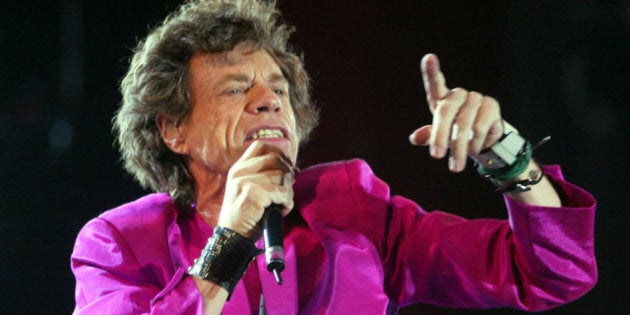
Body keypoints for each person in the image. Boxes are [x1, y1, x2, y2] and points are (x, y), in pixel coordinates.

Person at [70, 0, 597, 314]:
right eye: (235, 89)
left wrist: (507, 156)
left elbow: (550, 273)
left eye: (277, 88)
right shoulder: (118, 243)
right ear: (173, 129)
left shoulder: (353, 206)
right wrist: (230, 239)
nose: (269, 99)